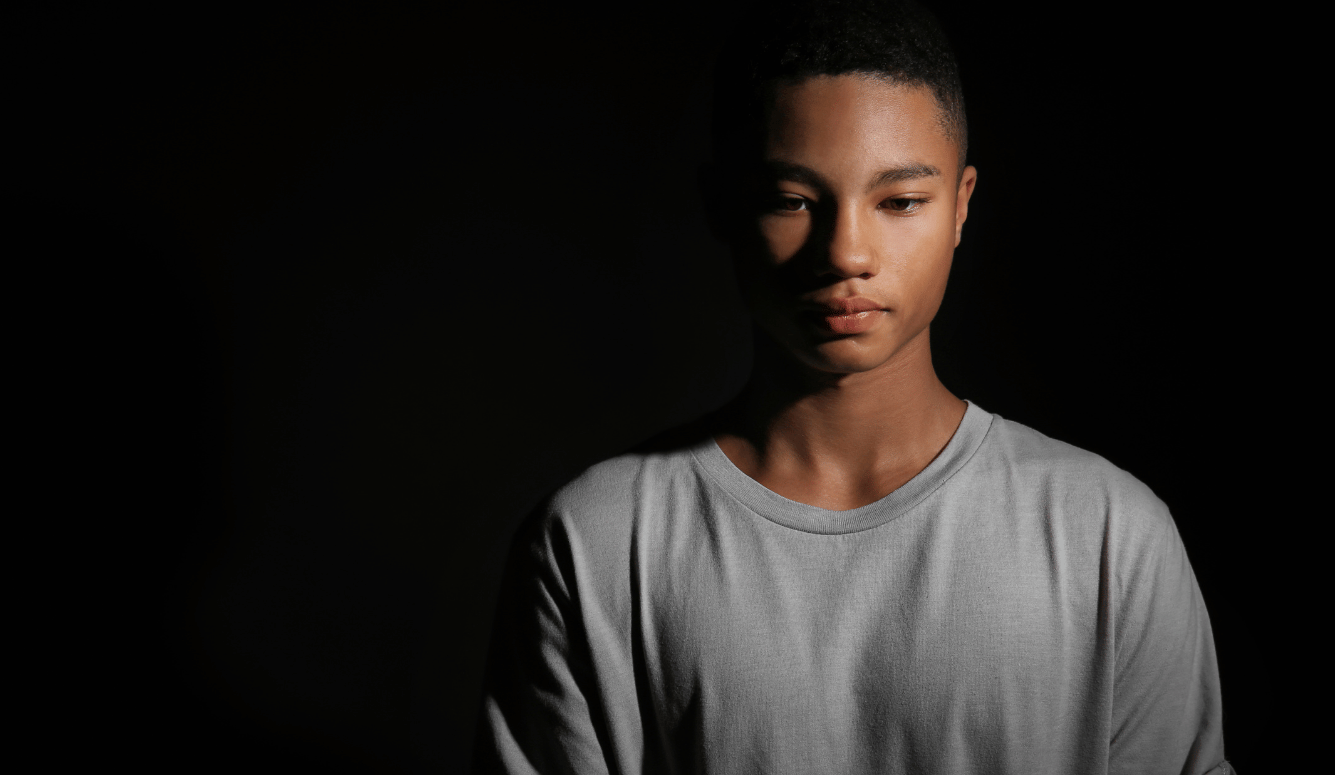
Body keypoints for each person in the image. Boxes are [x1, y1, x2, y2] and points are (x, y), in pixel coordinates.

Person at [473, 1, 1232, 772]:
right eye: (791, 200)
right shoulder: (596, 541)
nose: (844, 252)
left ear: (961, 206)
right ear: (721, 205)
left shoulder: (1107, 534)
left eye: (899, 201)